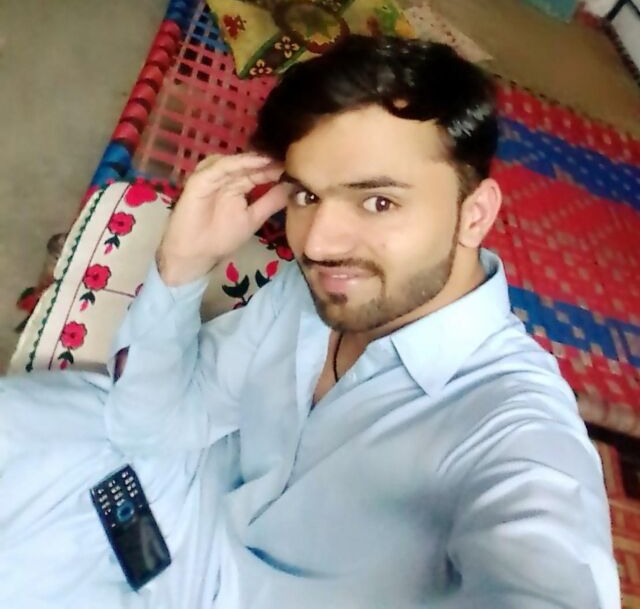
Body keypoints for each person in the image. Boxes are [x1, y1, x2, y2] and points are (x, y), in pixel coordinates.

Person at [0, 35, 619, 608]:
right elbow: (152, 422)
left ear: (475, 214)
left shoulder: (515, 429)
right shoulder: (306, 295)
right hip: (182, 499)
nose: (318, 244)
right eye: (307, 195)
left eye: (378, 201)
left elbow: (543, 569)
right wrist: (182, 267)